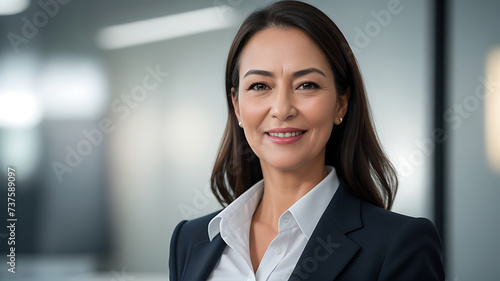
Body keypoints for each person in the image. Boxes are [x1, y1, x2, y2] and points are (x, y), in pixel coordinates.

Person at [169, 1, 445, 280]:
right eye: (260, 86)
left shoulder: (398, 244)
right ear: (237, 106)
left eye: (306, 85)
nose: (282, 109)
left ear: (341, 103)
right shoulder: (190, 241)